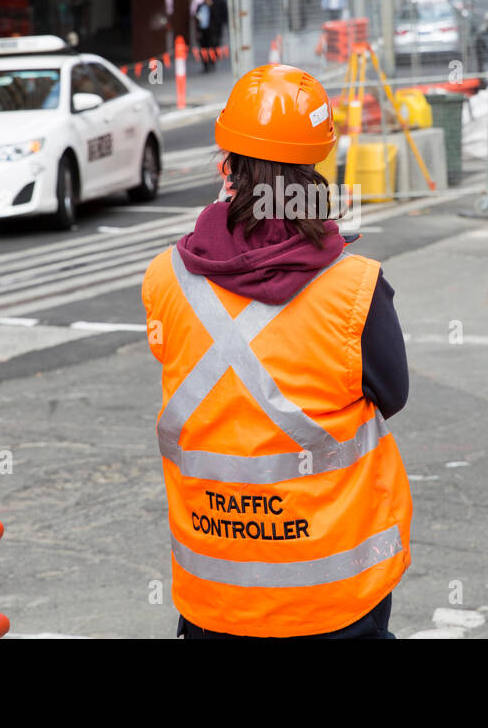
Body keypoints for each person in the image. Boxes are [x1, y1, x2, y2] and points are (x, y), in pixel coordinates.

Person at [141, 64, 413, 639]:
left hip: (216, 595)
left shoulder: (166, 278)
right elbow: (393, 394)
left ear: (226, 169)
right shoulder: (355, 287)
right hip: (336, 595)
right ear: (315, 171)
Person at [195, 0, 214, 72]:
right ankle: (205, 65)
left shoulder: (212, 6)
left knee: (211, 47)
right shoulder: (200, 6)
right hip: (202, 30)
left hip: (210, 31)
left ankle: (212, 63)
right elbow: (196, 17)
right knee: (203, 49)